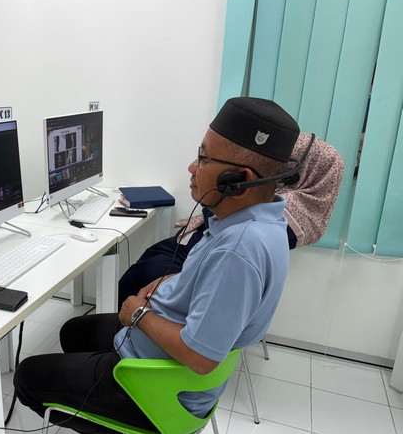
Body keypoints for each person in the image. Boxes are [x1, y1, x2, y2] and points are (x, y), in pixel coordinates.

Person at [13, 97, 301, 434]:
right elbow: (223, 283)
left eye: (204, 158)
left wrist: (138, 315)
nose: (192, 167)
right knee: (73, 332)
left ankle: (121, 429)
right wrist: (181, 279)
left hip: (160, 384)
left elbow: (200, 358)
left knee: (27, 377)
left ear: (238, 181)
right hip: (159, 350)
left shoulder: (239, 250)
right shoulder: (260, 221)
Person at [118, 131, 344, 308]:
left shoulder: (275, 211)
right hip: (196, 253)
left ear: (298, 171)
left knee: (136, 278)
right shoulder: (292, 204)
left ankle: (117, 336)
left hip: (195, 267)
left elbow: (222, 239)